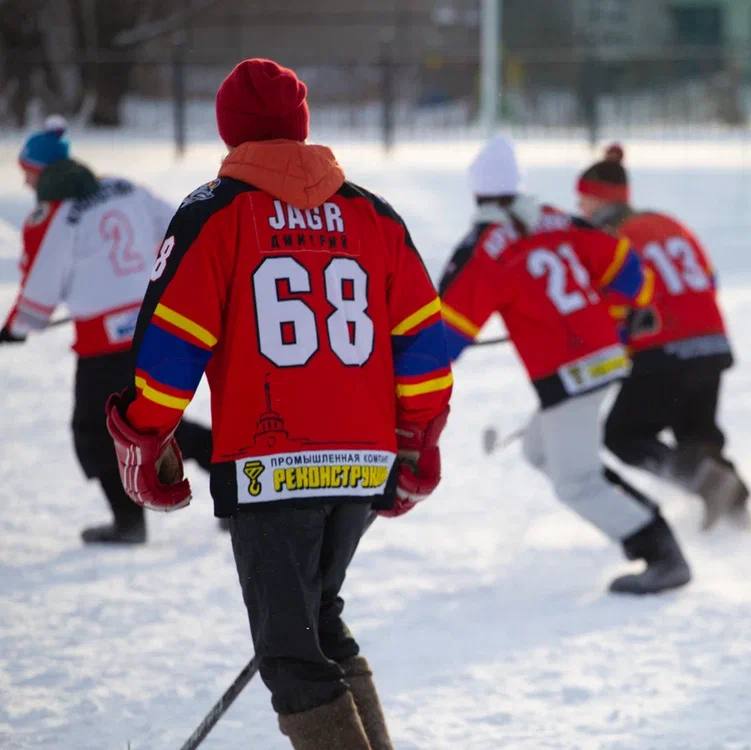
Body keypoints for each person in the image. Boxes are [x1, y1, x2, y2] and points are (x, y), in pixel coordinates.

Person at [104, 59, 452, 749]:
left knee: (291, 655)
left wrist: (146, 436)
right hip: (360, 460)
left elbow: (174, 345)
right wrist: (416, 439)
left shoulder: (216, 211)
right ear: (303, 125)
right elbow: (421, 347)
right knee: (317, 623)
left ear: (229, 131)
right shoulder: (371, 213)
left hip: (272, 467)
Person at [439, 135, 691, 595]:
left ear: (476, 191)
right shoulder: (558, 220)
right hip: (605, 355)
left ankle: (660, 552)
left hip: (570, 374)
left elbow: (445, 335)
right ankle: (631, 509)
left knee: (573, 482)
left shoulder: (483, 247)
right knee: (540, 450)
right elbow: (628, 269)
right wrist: (620, 308)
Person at [0, 116, 212, 545]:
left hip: (104, 343)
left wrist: (18, 328)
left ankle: (129, 522)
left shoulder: (53, 216)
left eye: (27, 174)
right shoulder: (124, 188)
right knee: (147, 415)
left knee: (97, 429)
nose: (25, 184)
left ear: (42, 172)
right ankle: (229, 473)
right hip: (154, 326)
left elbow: (40, 286)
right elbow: (178, 227)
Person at [575, 144, 749, 529]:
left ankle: (705, 483)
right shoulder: (667, 223)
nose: (580, 210)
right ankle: (736, 510)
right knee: (697, 434)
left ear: (599, 201)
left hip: (664, 347)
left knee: (625, 435)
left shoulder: (610, 239)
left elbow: (611, 305)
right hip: (711, 342)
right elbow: (710, 278)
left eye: (583, 201)